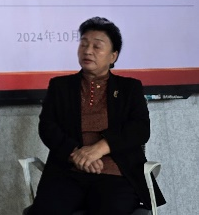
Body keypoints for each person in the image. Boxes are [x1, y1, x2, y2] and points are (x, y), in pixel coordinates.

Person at [28, 17, 165, 215]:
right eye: (83, 44)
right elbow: (47, 127)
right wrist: (76, 154)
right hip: (68, 172)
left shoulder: (129, 88)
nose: (87, 51)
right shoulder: (60, 86)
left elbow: (140, 129)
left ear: (113, 56)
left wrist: (99, 148)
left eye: (97, 46)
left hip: (116, 174)